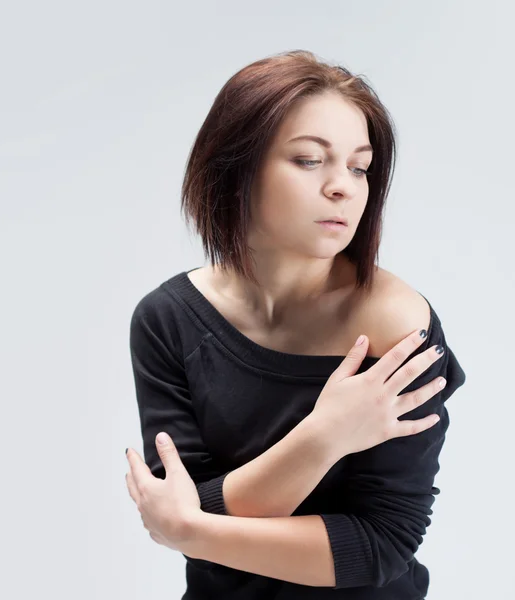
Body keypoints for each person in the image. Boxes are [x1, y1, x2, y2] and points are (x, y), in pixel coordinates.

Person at [126, 49, 467, 599]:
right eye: (310, 160)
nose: (344, 187)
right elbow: (190, 504)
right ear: (234, 169)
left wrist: (194, 530)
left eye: (360, 167)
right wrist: (325, 435)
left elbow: (380, 545)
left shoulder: (396, 324)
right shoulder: (167, 319)